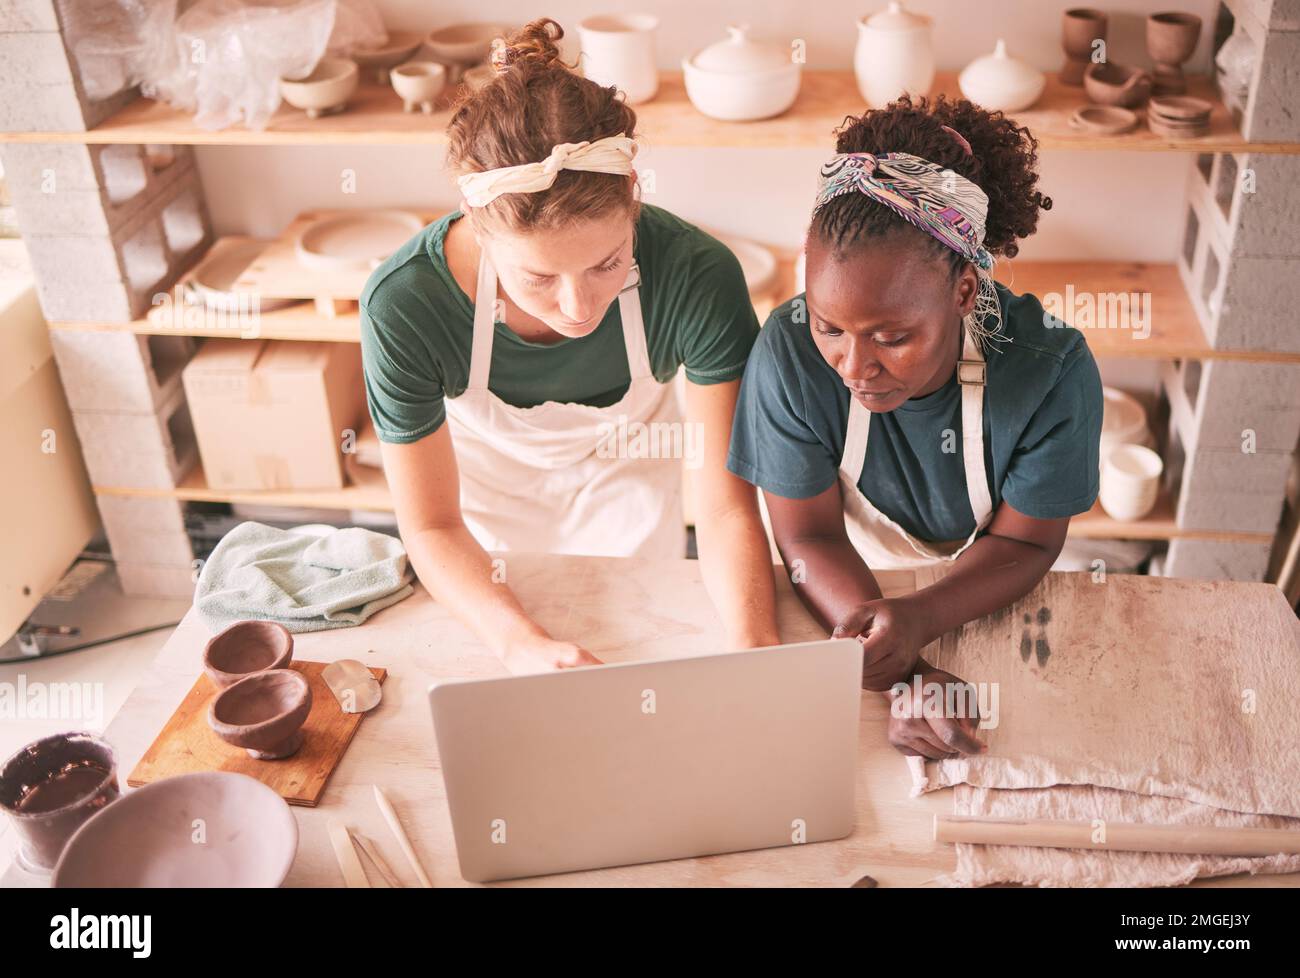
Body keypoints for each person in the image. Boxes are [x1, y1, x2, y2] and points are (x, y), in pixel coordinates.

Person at [360, 19, 779, 674]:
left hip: (633, 490)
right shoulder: (404, 306)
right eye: (538, 278)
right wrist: (520, 642)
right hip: (483, 517)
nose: (578, 308)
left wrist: (756, 645)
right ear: (476, 225)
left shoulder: (698, 275)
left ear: (634, 196)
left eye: (608, 263)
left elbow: (726, 506)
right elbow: (433, 526)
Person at [728, 95, 1103, 758]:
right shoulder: (787, 353)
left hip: (991, 590)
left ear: (963, 291)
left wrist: (923, 618)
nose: (854, 367)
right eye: (830, 327)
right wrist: (905, 669)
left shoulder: (1050, 370)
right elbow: (809, 536)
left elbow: (1029, 545)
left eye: (892, 337)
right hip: (837, 584)